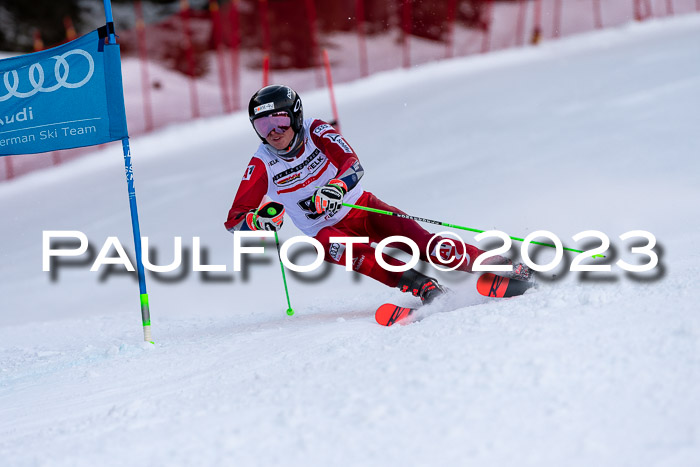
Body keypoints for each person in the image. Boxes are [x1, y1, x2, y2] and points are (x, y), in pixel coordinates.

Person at [225, 85, 529, 305]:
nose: (273, 132)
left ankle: (500, 265)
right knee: (364, 255)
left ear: (295, 116)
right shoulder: (262, 162)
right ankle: (425, 289)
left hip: (365, 208)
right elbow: (234, 220)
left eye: (279, 121)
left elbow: (352, 164)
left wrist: (338, 186)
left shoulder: (316, 129)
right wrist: (258, 222)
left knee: (422, 243)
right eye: (263, 125)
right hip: (324, 231)